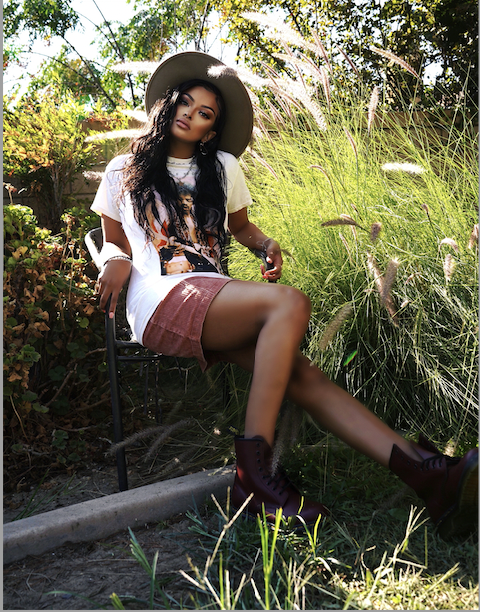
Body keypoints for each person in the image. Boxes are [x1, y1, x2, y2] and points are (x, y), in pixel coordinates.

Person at [92, 51, 478, 540]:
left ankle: (428, 476)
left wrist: (266, 243)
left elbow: (241, 228)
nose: (190, 114)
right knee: (289, 302)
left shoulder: (223, 166)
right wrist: (113, 259)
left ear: (211, 131)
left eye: (205, 113)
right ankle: (254, 478)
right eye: (185, 102)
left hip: (215, 294)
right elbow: (115, 241)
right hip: (159, 298)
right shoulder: (123, 168)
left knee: (303, 376)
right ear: (168, 105)